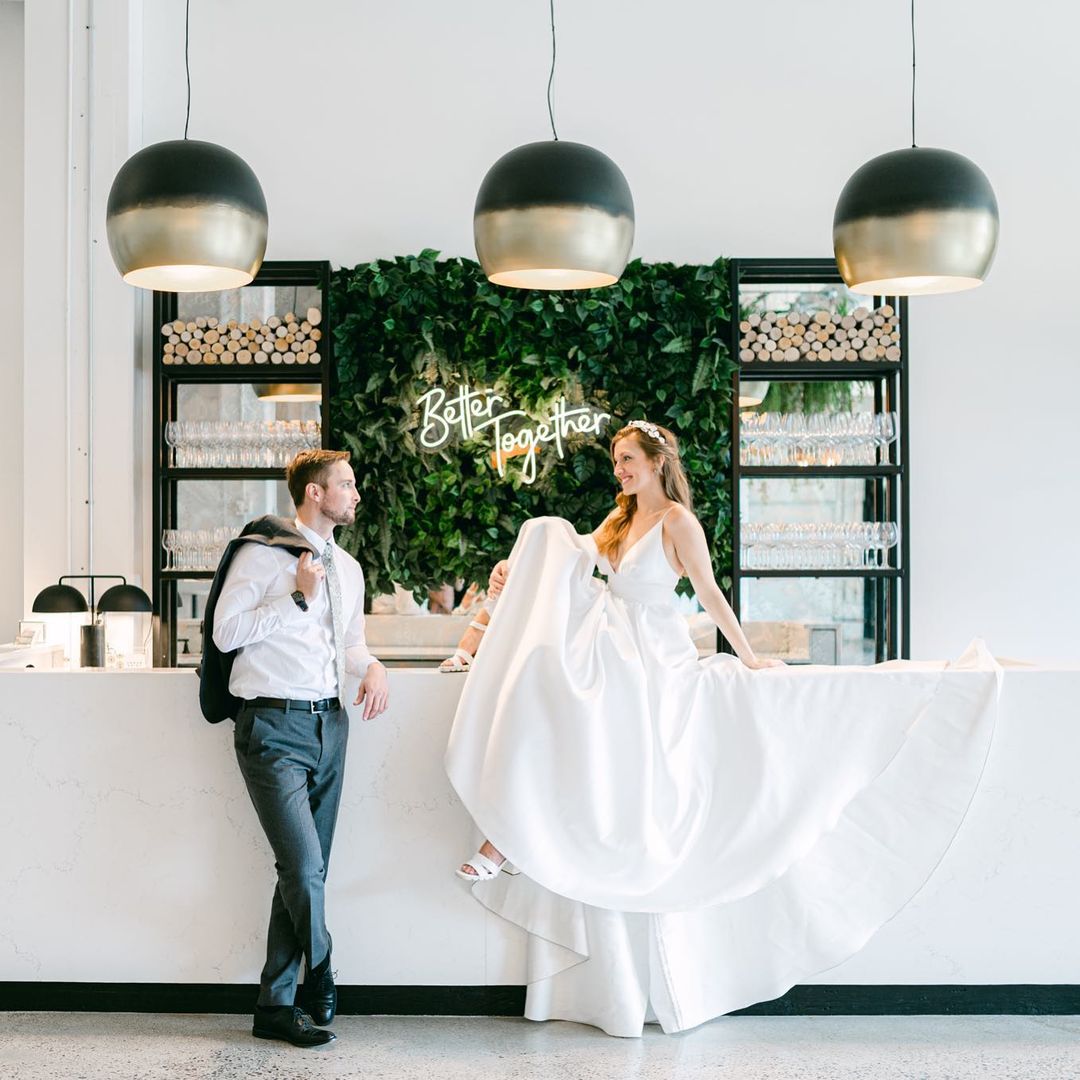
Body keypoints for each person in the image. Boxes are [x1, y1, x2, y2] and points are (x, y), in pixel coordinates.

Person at [445, 420, 999, 1036]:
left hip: (654, 654)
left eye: (627, 460)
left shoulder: (677, 522)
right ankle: (511, 837)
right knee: (552, 667)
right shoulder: (619, 519)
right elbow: (574, 555)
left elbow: (709, 592)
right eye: (617, 461)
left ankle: (509, 843)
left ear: (657, 462)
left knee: (589, 712)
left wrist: (747, 655)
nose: (619, 471)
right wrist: (516, 566)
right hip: (613, 642)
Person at [210, 448, 389, 1047]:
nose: (356, 494)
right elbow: (225, 633)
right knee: (305, 869)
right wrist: (294, 596)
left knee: (303, 871)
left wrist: (373, 667)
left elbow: (350, 645)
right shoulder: (263, 554)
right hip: (271, 726)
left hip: (330, 726)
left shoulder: (349, 569)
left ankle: (274, 1007)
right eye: (347, 484)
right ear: (315, 492)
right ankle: (323, 964)